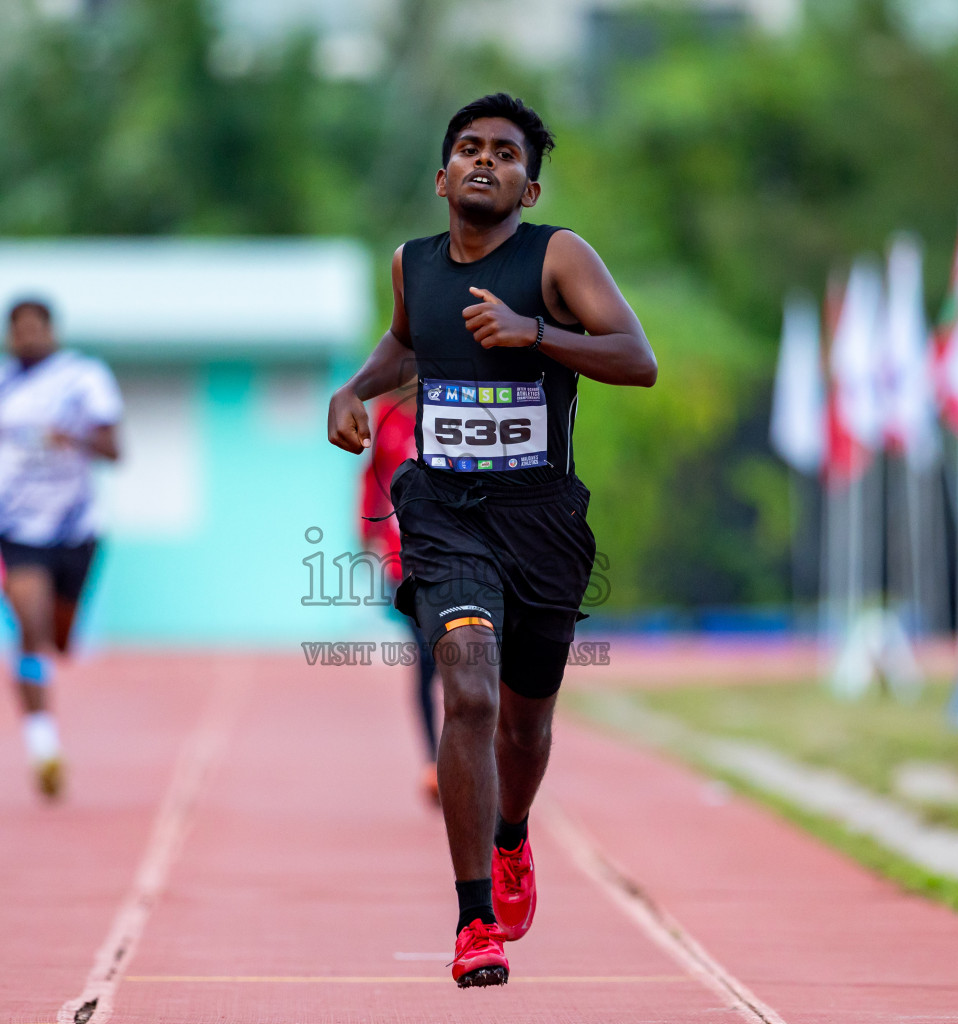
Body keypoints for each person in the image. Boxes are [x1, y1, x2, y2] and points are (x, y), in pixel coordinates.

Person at [326, 93, 656, 987]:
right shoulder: (413, 266)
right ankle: (476, 920)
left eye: (505, 153)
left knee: (525, 724)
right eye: (468, 149)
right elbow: (404, 345)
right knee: (464, 690)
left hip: (541, 517)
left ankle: (512, 836)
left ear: (530, 184)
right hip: (443, 511)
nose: (485, 162)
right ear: (441, 177)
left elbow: (638, 358)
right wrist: (357, 388)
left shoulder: (558, 258)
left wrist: (535, 335)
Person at [0, 298, 123, 801]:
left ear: (51, 332)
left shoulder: (84, 379)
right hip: (14, 524)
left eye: (35, 328)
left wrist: (73, 437)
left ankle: (47, 640)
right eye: (17, 329)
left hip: (75, 527)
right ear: (7, 336)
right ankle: (43, 745)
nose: (26, 337)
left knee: (59, 640)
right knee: (29, 626)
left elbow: (116, 449)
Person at [360, 386, 442, 806]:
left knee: (466, 661)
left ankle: (470, 755)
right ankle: (434, 765)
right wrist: (368, 534)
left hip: (453, 555)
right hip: (403, 560)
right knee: (428, 663)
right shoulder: (386, 417)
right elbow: (371, 478)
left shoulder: (448, 406)